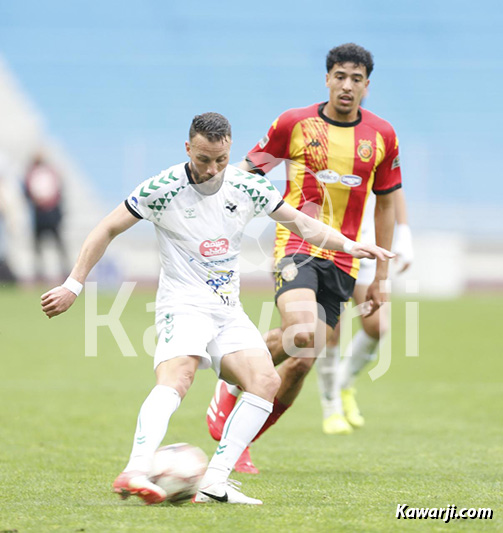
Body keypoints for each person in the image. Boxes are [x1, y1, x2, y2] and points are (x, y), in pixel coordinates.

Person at [40, 112, 393, 505]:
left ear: (230, 150)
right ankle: (136, 469)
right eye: (203, 159)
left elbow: (300, 223)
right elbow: (106, 227)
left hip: (227, 309)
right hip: (183, 304)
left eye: (221, 160)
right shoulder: (162, 188)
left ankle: (215, 481)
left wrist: (349, 245)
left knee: (265, 381)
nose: (212, 169)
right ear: (188, 148)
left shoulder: (247, 186)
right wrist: (73, 284)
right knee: (179, 375)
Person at [206, 43, 403, 473]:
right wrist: (206, 198)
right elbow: (248, 171)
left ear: (367, 86)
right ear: (327, 79)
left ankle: (239, 442)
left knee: (303, 359)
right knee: (301, 333)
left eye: (356, 79)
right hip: (297, 245)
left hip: (345, 260)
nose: (347, 86)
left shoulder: (382, 136)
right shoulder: (294, 123)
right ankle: (229, 387)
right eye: (340, 76)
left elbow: (387, 203)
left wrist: (382, 276)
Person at [316, 189, 414, 435]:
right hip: (327, 244)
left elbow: (392, 188)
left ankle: (344, 383)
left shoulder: (379, 159)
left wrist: (404, 233)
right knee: (331, 331)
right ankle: (331, 407)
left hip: (367, 245)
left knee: (377, 326)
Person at [24, 153, 68, 281]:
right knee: (38, 246)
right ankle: (40, 273)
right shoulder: (34, 174)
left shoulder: (48, 173)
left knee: (58, 244)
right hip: (41, 212)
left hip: (49, 211)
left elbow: (58, 191)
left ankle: (65, 271)